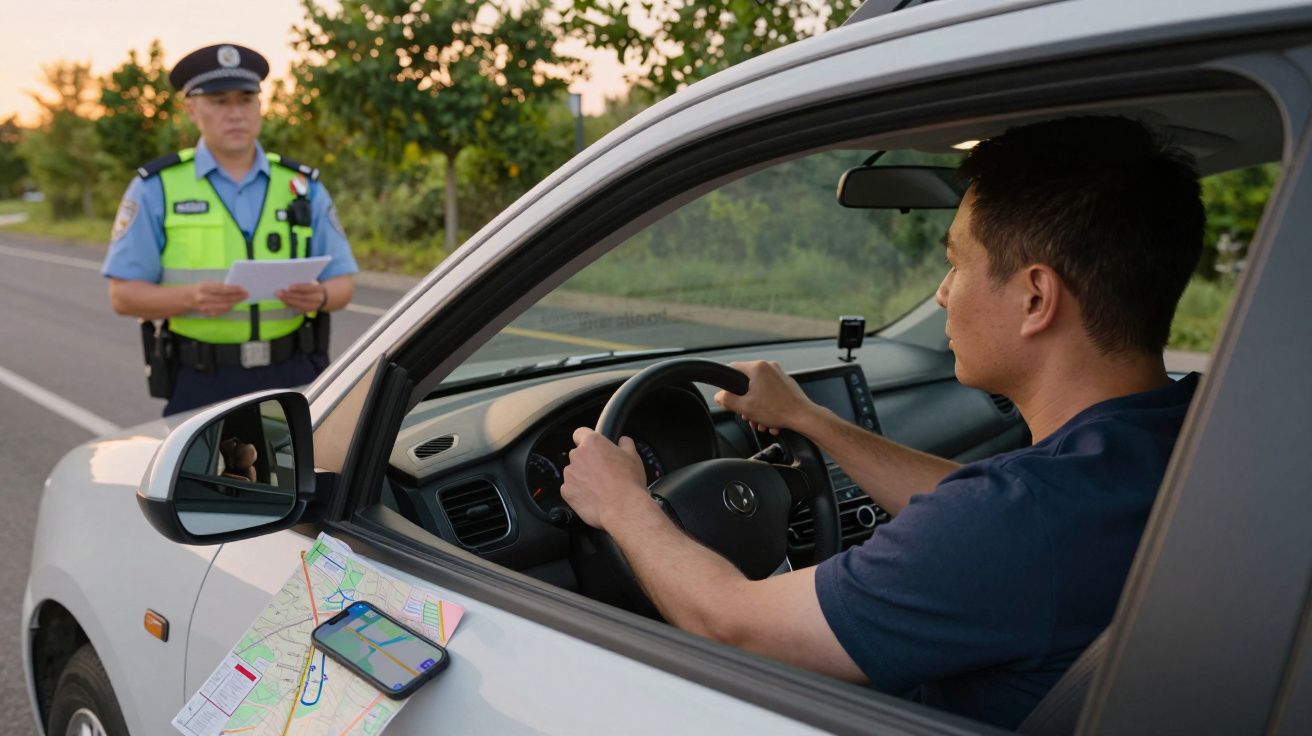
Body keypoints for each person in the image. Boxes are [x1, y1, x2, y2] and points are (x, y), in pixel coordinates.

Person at [560, 116, 1205, 729]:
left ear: (1036, 298)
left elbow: (733, 626)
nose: (942, 293)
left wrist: (623, 505)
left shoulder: (1015, 521)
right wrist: (810, 420)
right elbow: (985, 510)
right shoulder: (1193, 434)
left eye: (956, 263)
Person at [101, 43, 358, 415]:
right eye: (219, 101)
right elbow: (123, 296)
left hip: (296, 373)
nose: (235, 113)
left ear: (260, 106)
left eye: (246, 99)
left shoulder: (301, 185)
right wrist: (192, 298)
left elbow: (343, 286)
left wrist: (318, 296)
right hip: (202, 378)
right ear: (192, 110)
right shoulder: (157, 187)